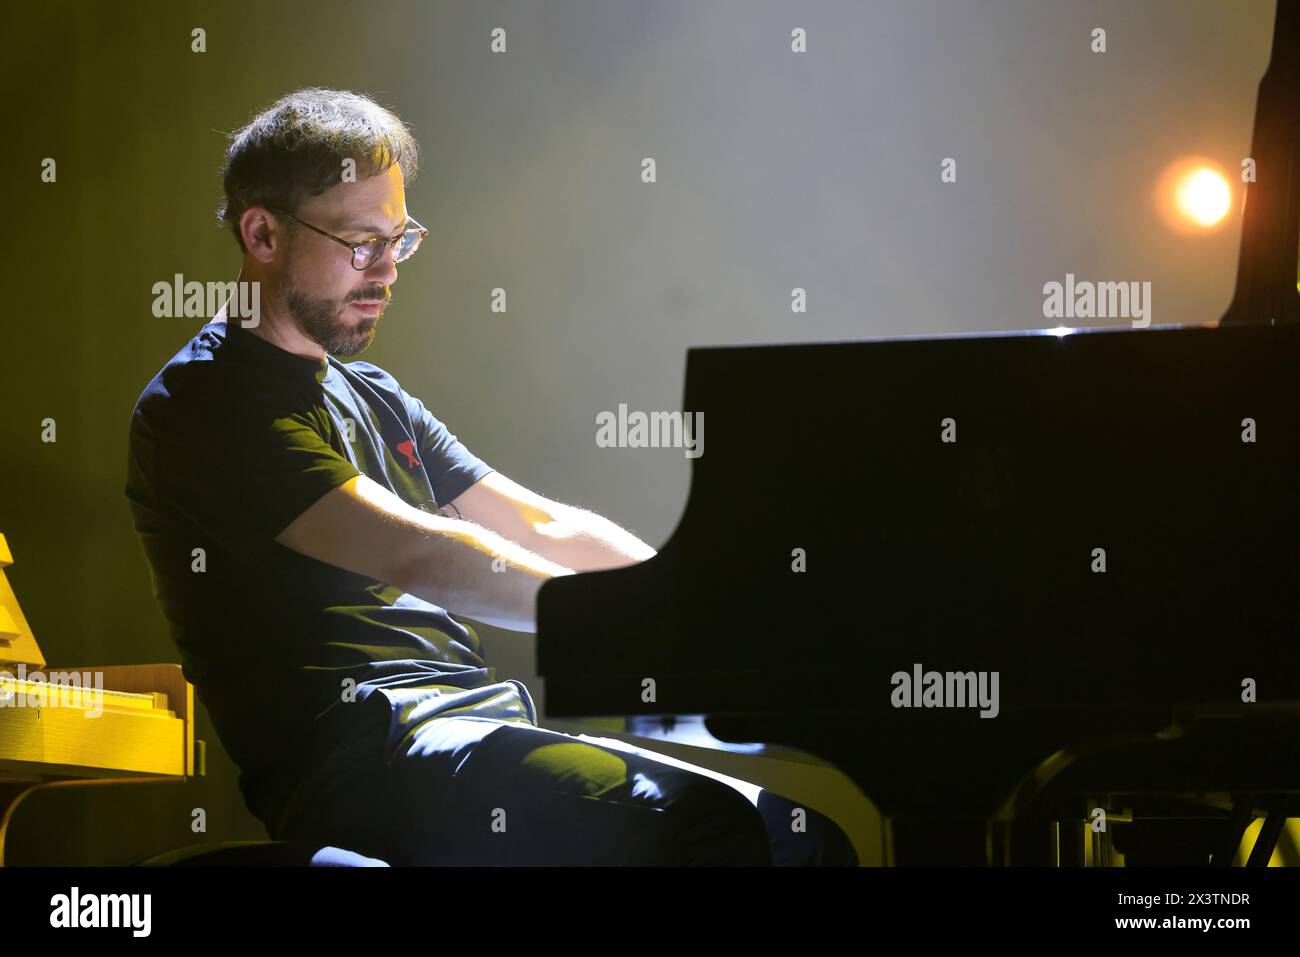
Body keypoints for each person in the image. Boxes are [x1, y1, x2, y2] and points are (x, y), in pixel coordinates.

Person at [125, 87, 857, 867]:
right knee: (698, 826)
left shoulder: (374, 394)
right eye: (359, 242)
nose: (386, 270)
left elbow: (539, 524)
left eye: (398, 240)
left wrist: (683, 599)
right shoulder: (203, 400)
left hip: (472, 725)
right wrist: (618, 626)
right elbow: (418, 552)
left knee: (805, 842)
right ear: (262, 232)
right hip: (367, 755)